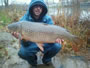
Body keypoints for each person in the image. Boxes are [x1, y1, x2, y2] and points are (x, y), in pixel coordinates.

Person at [12, 0, 64, 68]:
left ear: (43, 8)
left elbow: (53, 33)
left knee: (57, 46)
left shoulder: (48, 19)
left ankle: (46, 59)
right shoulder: (23, 21)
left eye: (40, 6)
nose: (38, 8)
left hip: (45, 42)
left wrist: (56, 39)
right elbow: (24, 44)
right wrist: (21, 38)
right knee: (23, 52)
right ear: (31, 7)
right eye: (36, 6)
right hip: (31, 43)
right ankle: (33, 62)